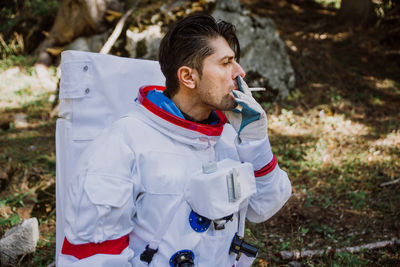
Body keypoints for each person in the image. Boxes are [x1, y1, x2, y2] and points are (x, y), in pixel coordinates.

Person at [58, 13, 291, 267]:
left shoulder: (227, 137)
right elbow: (93, 259)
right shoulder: (123, 143)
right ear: (188, 77)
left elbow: (265, 206)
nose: (240, 72)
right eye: (226, 63)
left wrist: (255, 140)